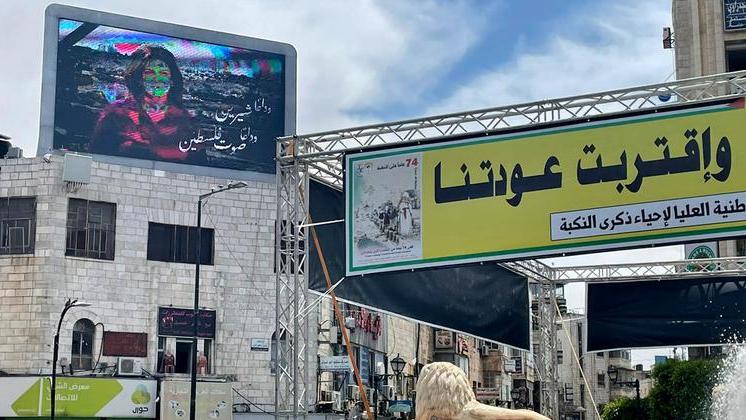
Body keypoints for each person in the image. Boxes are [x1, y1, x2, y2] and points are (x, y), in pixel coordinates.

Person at [92, 45, 194, 162]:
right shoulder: (115, 115)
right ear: (139, 79)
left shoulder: (185, 120)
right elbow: (95, 157)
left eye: (163, 73)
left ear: (172, 80)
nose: (157, 79)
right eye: (150, 73)